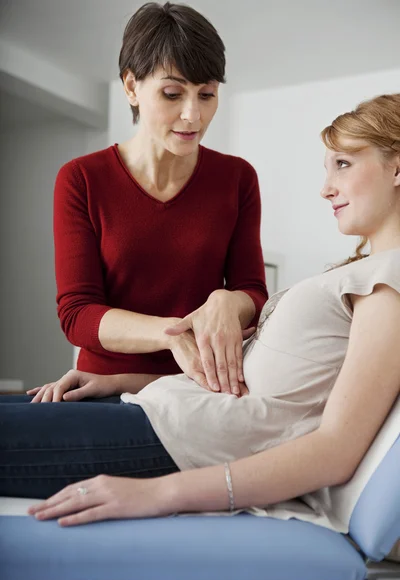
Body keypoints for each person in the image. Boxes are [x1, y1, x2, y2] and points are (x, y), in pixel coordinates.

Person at [1, 93, 400, 531]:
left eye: (342, 164)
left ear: (396, 167)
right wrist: (119, 381)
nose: (325, 187)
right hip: (158, 408)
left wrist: (159, 493)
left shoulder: (389, 283)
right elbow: (251, 391)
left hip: (178, 442)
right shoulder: (366, 273)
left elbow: (335, 451)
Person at [46, 1, 268, 400]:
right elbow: (77, 314)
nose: (193, 115)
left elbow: (252, 292)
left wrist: (227, 301)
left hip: (196, 393)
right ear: (131, 87)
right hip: (101, 391)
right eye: (172, 93)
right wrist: (171, 336)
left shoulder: (237, 179)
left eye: (206, 95)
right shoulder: (81, 179)